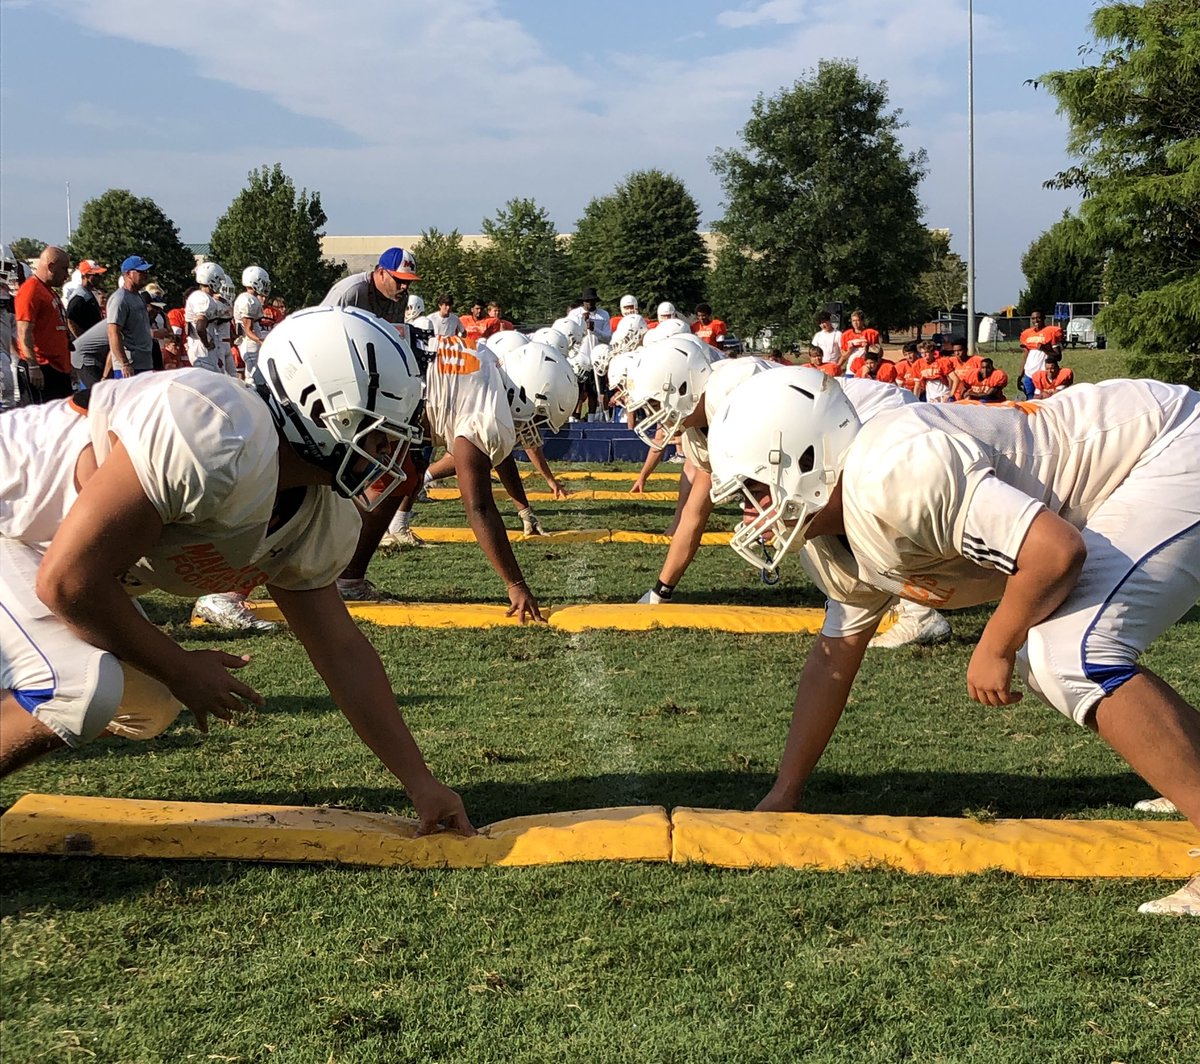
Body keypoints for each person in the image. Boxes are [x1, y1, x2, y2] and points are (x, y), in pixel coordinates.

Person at [707, 368, 1200, 915]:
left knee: (1068, 657)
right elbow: (833, 661)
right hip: (1122, 475)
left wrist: (995, 645)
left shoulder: (893, 473)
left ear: (807, 460)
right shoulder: (835, 536)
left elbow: (1054, 553)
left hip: (1166, 444)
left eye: (754, 491)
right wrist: (786, 792)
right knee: (1061, 656)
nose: (751, 514)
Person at [0, 305, 473, 835]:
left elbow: (339, 648)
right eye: (379, 432)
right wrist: (181, 666)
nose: (393, 451)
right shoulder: (216, 431)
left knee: (147, 703)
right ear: (321, 411)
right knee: (77, 689)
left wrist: (421, 783)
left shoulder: (314, 509)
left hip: (40, 550)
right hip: (12, 526)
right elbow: (68, 582)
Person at [335, 331, 546, 622]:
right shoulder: (488, 407)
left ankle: (349, 579)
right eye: (537, 416)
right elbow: (478, 505)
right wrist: (516, 584)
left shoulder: (486, 363)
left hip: (377, 370)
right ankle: (270, 581)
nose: (531, 428)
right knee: (328, 481)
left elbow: (497, 458)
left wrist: (523, 507)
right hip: (373, 383)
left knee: (401, 479)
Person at [625, 337, 777, 603]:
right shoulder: (698, 434)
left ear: (681, 388)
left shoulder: (733, 387)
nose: (654, 414)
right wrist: (661, 591)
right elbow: (694, 514)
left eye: (657, 403)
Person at [14, 246, 72, 402]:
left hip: (57, 368)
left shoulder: (47, 289)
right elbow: (23, 332)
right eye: (64, 269)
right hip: (43, 368)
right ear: (51, 267)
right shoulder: (31, 290)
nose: (66, 275)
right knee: (44, 421)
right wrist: (33, 366)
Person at [323, 247, 418, 323]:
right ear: (381, 273)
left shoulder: (401, 298)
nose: (404, 286)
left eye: (409, 281)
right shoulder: (350, 291)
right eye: (399, 280)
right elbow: (319, 325)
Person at [106, 256, 156, 378]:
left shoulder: (138, 297)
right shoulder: (120, 299)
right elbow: (113, 333)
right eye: (141, 272)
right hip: (130, 367)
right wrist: (124, 363)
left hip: (144, 364)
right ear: (128, 274)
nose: (146, 275)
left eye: (146, 272)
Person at [185, 261, 233, 374]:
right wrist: (206, 343)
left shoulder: (203, 297)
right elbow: (200, 326)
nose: (221, 284)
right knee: (211, 384)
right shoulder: (203, 299)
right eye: (219, 280)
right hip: (202, 349)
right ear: (211, 280)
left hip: (201, 346)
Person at [234, 266, 271, 380]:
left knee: (257, 377)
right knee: (254, 379)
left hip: (251, 343)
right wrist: (260, 341)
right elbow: (247, 329)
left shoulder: (252, 299)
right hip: (249, 343)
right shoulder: (247, 300)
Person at [1019, 310, 1064, 399]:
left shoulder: (1051, 332)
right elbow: (1026, 355)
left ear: (1044, 318)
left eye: (1038, 318)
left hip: (1044, 373)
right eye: (1033, 318)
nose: (1036, 320)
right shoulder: (1027, 334)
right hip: (1029, 373)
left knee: (1044, 398)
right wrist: (1020, 375)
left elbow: (1058, 356)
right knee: (1030, 398)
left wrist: (1044, 349)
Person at [65, 260, 107, 338]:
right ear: (85, 276)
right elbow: (70, 320)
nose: (99, 277)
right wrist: (81, 339)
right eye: (95, 275)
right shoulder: (79, 297)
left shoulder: (88, 294)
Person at [839, 309, 880, 374]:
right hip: (851, 369)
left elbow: (878, 354)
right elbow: (844, 356)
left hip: (867, 369)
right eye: (853, 320)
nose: (855, 323)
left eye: (858, 320)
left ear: (862, 321)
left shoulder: (871, 333)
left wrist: (867, 348)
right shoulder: (846, 335)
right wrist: (849, 350)